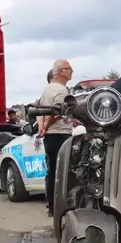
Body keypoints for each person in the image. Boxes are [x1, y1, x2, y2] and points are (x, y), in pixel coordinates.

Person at [39, 59, 73, 217]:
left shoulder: (47, 89)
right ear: (61, 72)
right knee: (63, 171)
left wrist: (42, 127)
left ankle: (52, 205)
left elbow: (39, 110)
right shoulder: (62, 91)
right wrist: (46, 126)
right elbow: (56, 112)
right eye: (68, 68)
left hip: (50, 136)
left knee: (52, 170)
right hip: (60, 133)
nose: (71, 70)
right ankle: (62, 205)